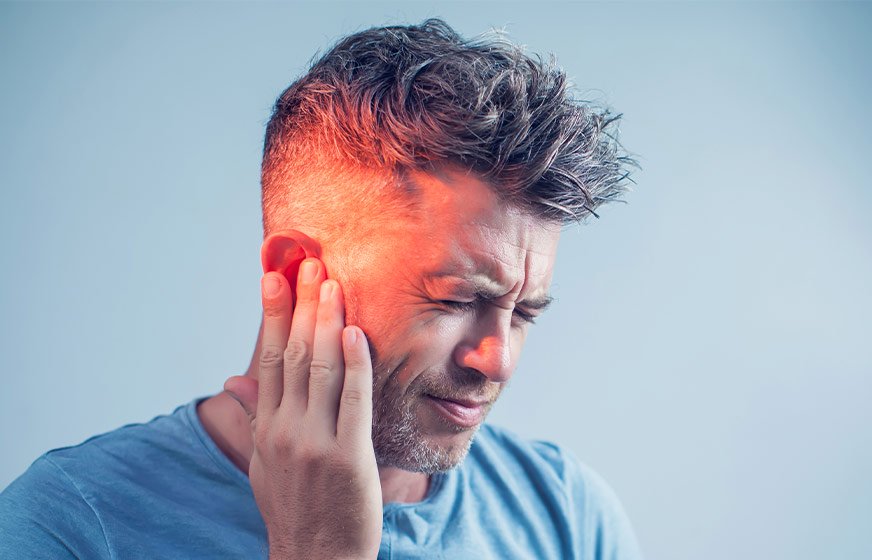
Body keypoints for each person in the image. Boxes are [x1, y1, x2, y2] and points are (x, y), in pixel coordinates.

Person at [0, 18, 641, 559]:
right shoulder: (74, 527)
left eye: (523, 312)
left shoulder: (567, 515)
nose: (497, 359)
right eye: (455, 299)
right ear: (294, 275)